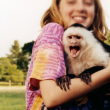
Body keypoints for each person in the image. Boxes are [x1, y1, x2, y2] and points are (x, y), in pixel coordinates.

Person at [26, 0, 110, 110]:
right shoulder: (54, 31)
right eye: (71, 2)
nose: (80, 8)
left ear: (96, 10)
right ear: (58, 7)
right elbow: (51, 97)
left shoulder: (94, 44)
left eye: (88, 2)